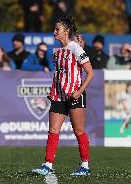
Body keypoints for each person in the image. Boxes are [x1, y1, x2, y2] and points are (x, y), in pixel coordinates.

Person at [32, 15, 94, 176]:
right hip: (58, 95)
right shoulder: (57, 52)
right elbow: (61, 74)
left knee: (79, 131)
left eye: (57, 29)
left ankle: (85, 166)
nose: (54, 31)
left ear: (66, 32)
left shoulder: (75, 48)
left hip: (74, 95)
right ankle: (47, 164)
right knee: (53, 130)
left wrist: (79, 91)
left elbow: (90, 73)